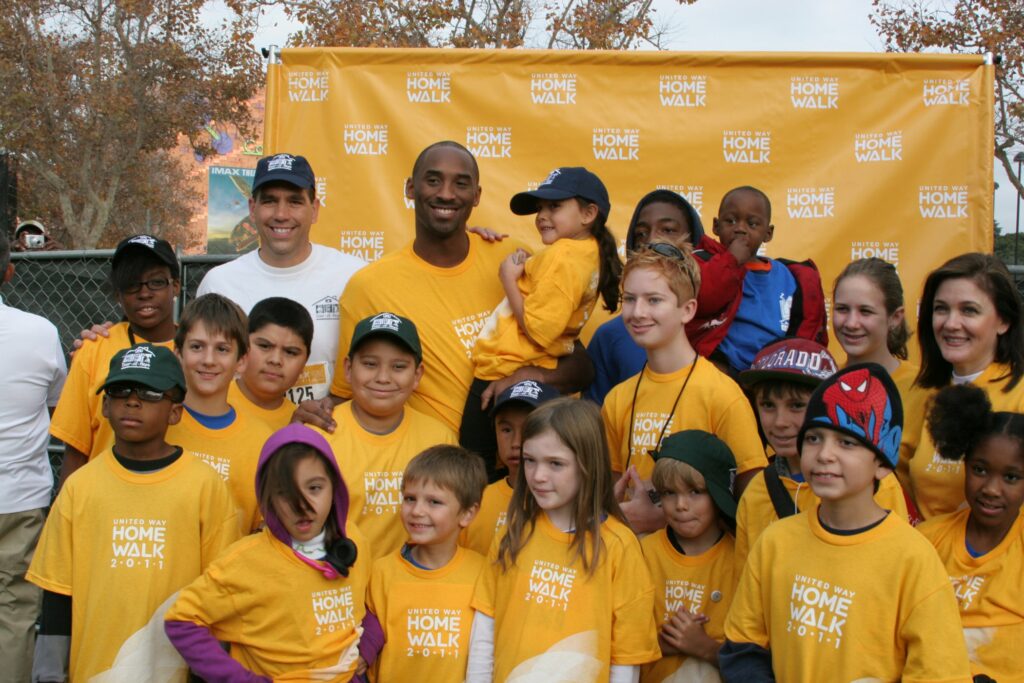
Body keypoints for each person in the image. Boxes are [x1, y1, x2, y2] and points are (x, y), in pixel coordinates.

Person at [308, 141, 592, 439]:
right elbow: (348, 394)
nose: (446, 193)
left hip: (520, 469)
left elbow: (580, 366)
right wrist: (313, 416)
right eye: (433, 180)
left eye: (461, 183)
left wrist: (526, 377)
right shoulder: (368, 286)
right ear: (410, 188)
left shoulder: (513, 259)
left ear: (477, 195)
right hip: (434, 472)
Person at [720, 363, 972, 682]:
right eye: (813, 438)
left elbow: (938, 672)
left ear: (882, 463)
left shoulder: (913, 559)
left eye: (847, 442)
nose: (825, 454)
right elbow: (744, 646)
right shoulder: (775, 542)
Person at [28, 344, 239, 682]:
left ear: (175, 412)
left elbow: (219, 599)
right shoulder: (79, 487)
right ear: (105, 405)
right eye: (120, 389)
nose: (133, 400)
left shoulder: (205, 487)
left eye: (151, 392)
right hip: (93, 671)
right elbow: (57, 597)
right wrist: (49, 675)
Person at [165, 423, 379, 681]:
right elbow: (181, 621)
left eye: (314, 488)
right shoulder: (245, 561)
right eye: (286, 493)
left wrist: (368, 648)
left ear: (335, 489)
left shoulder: (354, 539)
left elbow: (365, 604)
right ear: (268, 499)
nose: (303, 506)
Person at [466, 398, 660, 682]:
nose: (538, 476)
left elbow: (626, 658)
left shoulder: (620, 546)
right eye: (530, 460)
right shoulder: (513, 532)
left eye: (555, 463)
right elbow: (486, 627)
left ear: (588, 465)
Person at [464, 166, 622, 475]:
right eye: (540, 208)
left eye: (555, 206)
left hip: (506, 366)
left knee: (475, 460)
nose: (542, 216)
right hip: (538, 366)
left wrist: (509, 278)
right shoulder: (586, 253)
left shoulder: (563, 254)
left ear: (589, 213)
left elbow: (539, 329)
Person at [602, 246, 766, 533]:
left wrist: (663, 517)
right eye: (629, 299)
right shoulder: (618, 398)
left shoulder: (721, 394)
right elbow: (613, 491)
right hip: (633, 563)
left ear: (688, 310)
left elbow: (752, 503)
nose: (638, 312)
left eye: (654, 300)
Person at [196, 153, 366, 402]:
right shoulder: (219, 283)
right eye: (270, 201)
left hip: (329, 434)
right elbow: (200, 368)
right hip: (243, 434)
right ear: (252, 209)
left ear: (314, 209)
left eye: (295, 202)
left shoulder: (353, 277)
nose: (281, 214)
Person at [734, 337, 908, 567]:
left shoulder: (871, 482)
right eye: (768, 405)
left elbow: (894, 566)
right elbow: (744, 582)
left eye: (796, 405)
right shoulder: (756, 491)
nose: (780, 422)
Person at [319, 312, 457, 560]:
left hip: (410, 588)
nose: (383, 378)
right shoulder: (319, 434)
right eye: (370, 364)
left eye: (398, 367)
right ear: (348, 369)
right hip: (338, 583)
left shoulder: (439, 439)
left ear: (417, 375)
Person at [50, 234, 180, 486]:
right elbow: (77, 448)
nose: (144, 293)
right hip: (105, 499)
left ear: (174, 285)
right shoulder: (94, 349)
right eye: (132, 284)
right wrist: (64, 515)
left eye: (155, 282)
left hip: (177, 500)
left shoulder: (200, 352)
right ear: (118, 295)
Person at [904, 252, 1024, 520]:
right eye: (941, 308)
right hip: (922, 556)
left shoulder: (1020, 396)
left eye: (969, 310)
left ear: (1004, 321)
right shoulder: (918, 393)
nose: (951, 323)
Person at [920, 384, 1024, 681]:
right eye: (980, 470)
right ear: (964, 464)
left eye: (1011, 477)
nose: (991, 489)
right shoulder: (927, 540)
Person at [0, 229, 67, 683]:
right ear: (9, 271)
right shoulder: (40, 332)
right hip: (19, 498)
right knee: (15, 612)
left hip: (22, 496)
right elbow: (56, 401)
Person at [367, 445, 487, 681]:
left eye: (434, 502)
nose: (417, 511)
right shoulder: (381, 573)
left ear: (467, 514)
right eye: (410, 499)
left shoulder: (483, 572)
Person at [586, 189, 709, 405]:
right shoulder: (609, 337)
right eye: (641, 233)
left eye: (668, 230)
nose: (652, 240)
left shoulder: (722, 327)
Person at [690, 186, 827, 376]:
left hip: (773, 372)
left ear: (768, 233)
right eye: (730, 221)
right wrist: (731, 261)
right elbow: (707, 297)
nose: (740, 229)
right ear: (716, 226)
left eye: (752, 224)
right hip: (724, 368)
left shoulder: (788, 276)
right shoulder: (707, 266)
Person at [640, 430, 739, 683]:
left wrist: (704, 646)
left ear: (719, 494)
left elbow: (755, 660)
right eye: (669, 492)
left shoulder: (740, 559)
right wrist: (661, 643)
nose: (681, 505)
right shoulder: (641, 553)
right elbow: (614, 638)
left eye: (695, 491)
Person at [166, 294, 270, 533]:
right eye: (196, 347)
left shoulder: (260, 440)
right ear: (178, 353)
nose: (208, 360)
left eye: (222, 349)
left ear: (242, 361)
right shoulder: (157, 424)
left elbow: (259, 528)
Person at [832, 257, 928, 496]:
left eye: (865, 311)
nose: (851, 323)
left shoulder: (925, 390)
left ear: (895, 317)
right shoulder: (822, 382)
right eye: (842, 309)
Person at [461, 379, 560, 556]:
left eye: (530, 429)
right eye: (506, 430)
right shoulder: (475, 502)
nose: (516, 443)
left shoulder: (567, 505)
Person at [228, 296, 313, 431]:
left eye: (290, 352)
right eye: (264, 346)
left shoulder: (302, 424)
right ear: (243, 346)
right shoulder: (213, 400)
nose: (275, 360)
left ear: (305, 362)